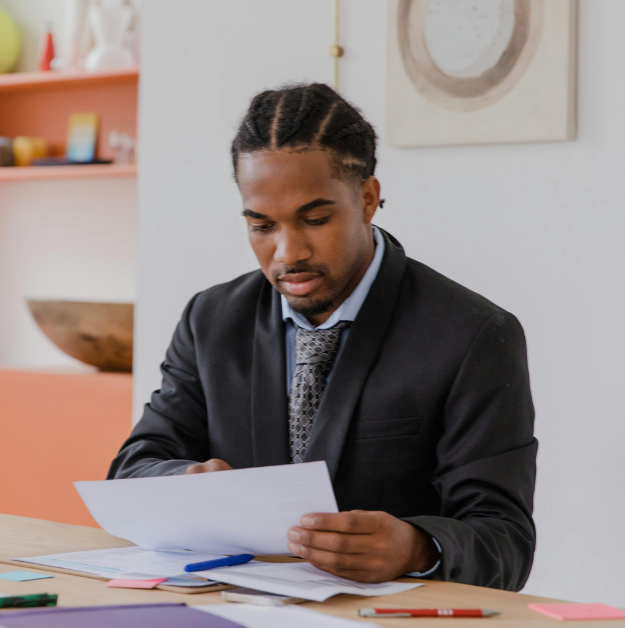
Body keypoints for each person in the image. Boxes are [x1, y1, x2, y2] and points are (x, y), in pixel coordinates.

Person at [108, 83, 537, 591]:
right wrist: (184, 483)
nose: (288, 253)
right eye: (262, 226)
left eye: (315, 219)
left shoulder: (474, 335)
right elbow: (134, 468)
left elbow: (504, 539)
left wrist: (416, 547)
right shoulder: (212, 320)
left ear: (368, 199)